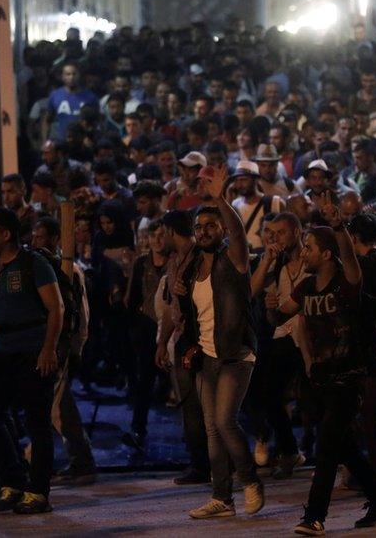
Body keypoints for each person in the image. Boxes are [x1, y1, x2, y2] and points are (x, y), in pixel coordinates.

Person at [277, 195, 376, 535]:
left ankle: (314, 517)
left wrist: (339, 226)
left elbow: (349, 258)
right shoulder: (307, 286)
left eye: (309, 247)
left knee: (326, 446)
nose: (303, 253)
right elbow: (281, 310)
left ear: (326, 254)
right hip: (320, 378)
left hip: (349, 377)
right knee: (341, 445)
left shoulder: (347, 283)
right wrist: (269, 266)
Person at [179, 166, 264, 520]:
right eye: (199, 227)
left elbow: (239, 233)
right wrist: (191, 344)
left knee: (225, 421)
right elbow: (194, 314)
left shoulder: (235, 258)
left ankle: (251, 481)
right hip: (209, 356)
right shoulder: (194, 263)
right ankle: (221, 498)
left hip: (235, 354)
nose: (204, 232)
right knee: (211, 426)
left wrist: (220, 200)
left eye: (211, 226)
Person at [0, 208, 64, 514]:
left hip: (32, 351)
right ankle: (13, 480)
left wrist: (48, 349)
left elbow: (56, 308)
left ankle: (38, 492)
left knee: (37, 422)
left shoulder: (34, 264)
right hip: (1, 352)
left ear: (5, 234)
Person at [29, 217, 97, 486]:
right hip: (43, 344)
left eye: (42, 237)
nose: (36, 242)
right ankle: (80, 459)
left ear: (56, 240)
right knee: (59, 404)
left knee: (57, 406)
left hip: (62, 346)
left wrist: (78, 346)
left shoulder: (70, 270)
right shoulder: (39, 267)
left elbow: (81, 313)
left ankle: (81, 460)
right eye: (34, 237)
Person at [251, 212, 310, 479]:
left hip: (313, 338)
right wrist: (268, 260)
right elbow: (255, 290)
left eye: (281, 232)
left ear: (296, 231)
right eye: (271, 233)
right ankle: (288, 450)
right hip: (284, 337)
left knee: (315, 403)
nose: (276, 238)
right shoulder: (278, 264)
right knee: (267, 395)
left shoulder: (313, 257)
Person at [155, 211, 211, 485]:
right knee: (190, 404)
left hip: (201, 338)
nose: (159, 238)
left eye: (162, 232)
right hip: (182, 337)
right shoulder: (174, 261)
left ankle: (212, 466)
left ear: (171, 231)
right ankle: (201, 464)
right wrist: (163, 342)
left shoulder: (201, 257)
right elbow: (170, 308)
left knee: (205, 407)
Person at [123, 219, 170, 452]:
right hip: (146, 326)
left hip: (171, 326)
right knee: (145, 379)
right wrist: (134, 327)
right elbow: (131, 297)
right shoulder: (142, 263)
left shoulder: (176, 261)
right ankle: (138, 427)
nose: (158, 240)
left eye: (162, 235)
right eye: (154, 236)